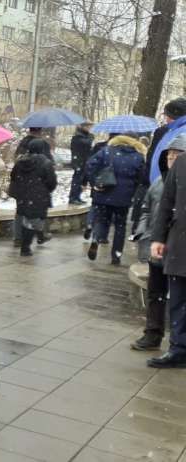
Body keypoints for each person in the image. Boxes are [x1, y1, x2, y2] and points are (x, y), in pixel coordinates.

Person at [132, 134, 185, 351]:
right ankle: (152, 333)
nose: (172, 159)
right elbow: (147, 209)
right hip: (157, 246)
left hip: (178, 248)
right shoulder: (158, 183)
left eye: (177, 155)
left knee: (178, 298)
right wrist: (144, 232)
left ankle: (178, 342)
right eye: (170, 155)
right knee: (156, 292)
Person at [149, 133, 186, 368]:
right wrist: (158, 238)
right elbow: (167, 202)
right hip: (180, 244)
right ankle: (179, 349)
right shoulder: (181, 163)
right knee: (179, 300)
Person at [85, 133, 146, 265]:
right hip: (123, 197)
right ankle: (116, 256)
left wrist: (94, 182)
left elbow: (90, 165)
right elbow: (141, 178)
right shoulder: (138, 156)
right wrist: (132, 190)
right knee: (120, 226)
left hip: (103, 192)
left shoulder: (106, 151)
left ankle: (96, 239)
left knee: (101, 220)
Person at [9, 139, 58, 257]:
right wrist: (44, 189)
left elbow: (13, 176)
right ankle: (26, 246)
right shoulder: (46, 163)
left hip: (23, 195)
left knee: (27, 218)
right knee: (36, 220)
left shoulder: (20, 162)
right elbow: (52, 182)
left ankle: (27, 244)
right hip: (39, 196)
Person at [69, 122, 94, 205]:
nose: (89, 128)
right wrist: (90, 138)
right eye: (88, 126)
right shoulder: (77, 136)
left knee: (82, 181)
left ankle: (77, 197)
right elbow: (84, 144)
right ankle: (73, 198)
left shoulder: (87, 136)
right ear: (82, 126)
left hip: (85, 161)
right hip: (79, 162)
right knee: (77, 180)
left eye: (90, 127)